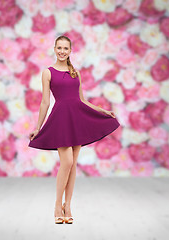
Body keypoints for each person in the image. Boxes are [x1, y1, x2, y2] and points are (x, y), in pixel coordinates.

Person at [28, 35, 120, 224]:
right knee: (67, 162)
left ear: (70, 51)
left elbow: (81, 100)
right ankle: (56, 205)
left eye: (66, 48)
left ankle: (67, 206)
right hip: (61, 119)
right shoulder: (48, 72)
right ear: (54, 49)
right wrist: (38, 127)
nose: (62, 51)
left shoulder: (75, 73)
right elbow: (45, 102)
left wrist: (102, 110)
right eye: (59, 48)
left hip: (76, 118)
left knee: (73, 164)